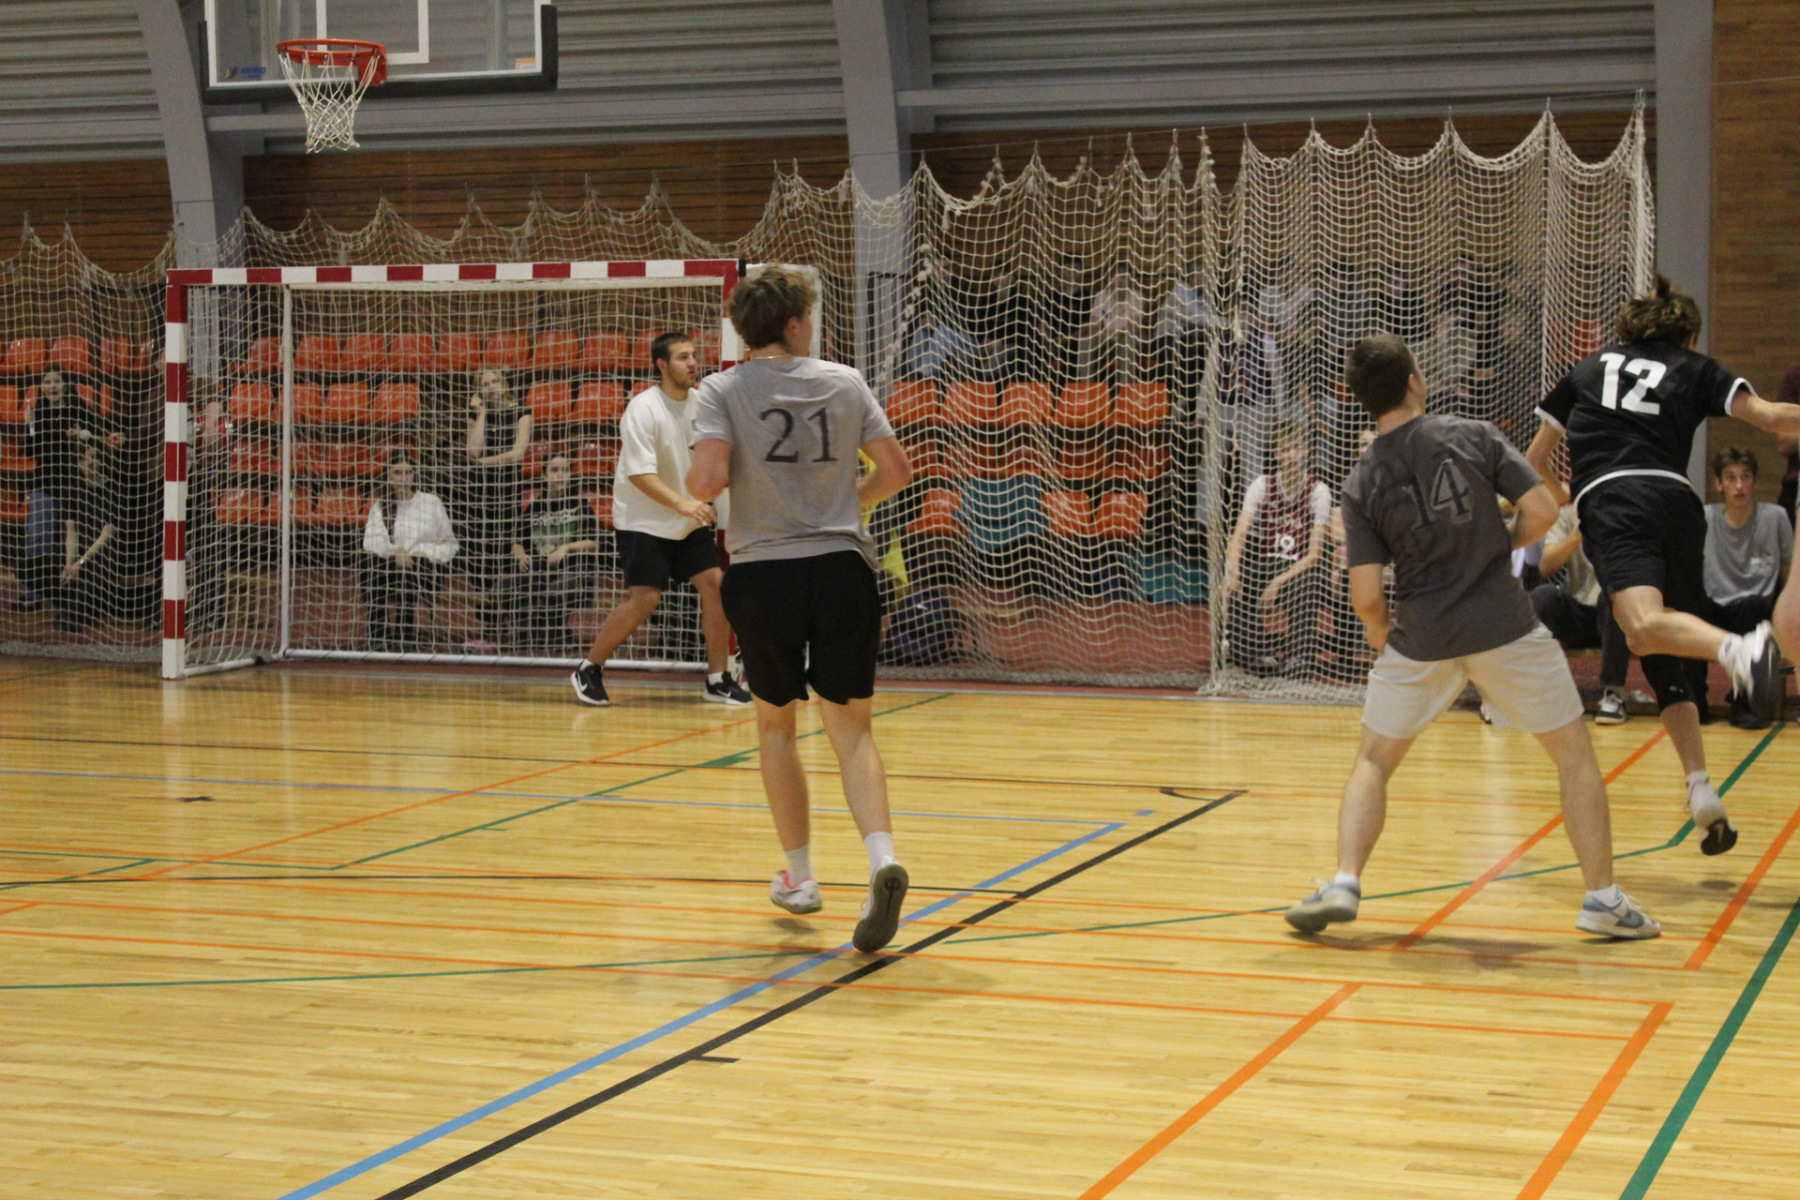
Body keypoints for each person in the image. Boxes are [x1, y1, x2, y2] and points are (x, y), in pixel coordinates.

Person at [1286, 334, 1659, 940]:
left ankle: (1345, 881)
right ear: (1414, 381)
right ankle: (1603, 900)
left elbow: (1367, 597)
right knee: (1573, 756)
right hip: (1503, 625)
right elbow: (1543, 511)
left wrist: (1383, 639)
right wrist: (1497, 544)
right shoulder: (1473, 434)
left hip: (1420, 635)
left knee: (1374, 761)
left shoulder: (1361, 480)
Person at [1525, 275, 1800, 854]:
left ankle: (1742, 650)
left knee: (1642, 624)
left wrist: (1569, 496)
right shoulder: (1693, 367)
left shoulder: (1586, 369)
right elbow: (1774, 417)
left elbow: (1534, 458)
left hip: (1618, 501)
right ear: (1688, 336)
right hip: (1678, 505)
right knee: (1655, 647)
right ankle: (1701, 790)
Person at [685, 265, 915, 954]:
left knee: (776, 728)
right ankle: (882, 859)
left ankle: (802, 877)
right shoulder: (844, 382)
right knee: (854, 731)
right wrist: (842, 504)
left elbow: (706, 482)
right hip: (842, 568)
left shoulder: (721, 389)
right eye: (808, 316)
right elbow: (896, 473)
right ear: (792, 323)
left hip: (764, 575)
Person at [571, 332, 751, 707]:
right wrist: (683, 504)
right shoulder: (643, 408)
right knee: (645, 600)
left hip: (688, 520)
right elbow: (640, 474)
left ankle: (717, 679)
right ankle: (589, 667)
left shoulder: (702, 405)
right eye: (683, 357)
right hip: (644, 520)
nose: (693, 362)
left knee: (716, 587)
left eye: (693, 355)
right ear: (662, 365)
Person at [1220, 424, 1331, 676]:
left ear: (1305, 452)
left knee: (1308, 586)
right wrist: (1233, 572)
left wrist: (1278, 582)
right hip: (1268, 562)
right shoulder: (1262, 485)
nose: (1291, 455)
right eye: (1284, 450)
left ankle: (1299, 657)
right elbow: (1238, 537)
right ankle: (1257, 652)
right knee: (1231, 587)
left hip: (1300, 568)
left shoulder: (1318, 490)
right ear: (1277, 454)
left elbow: (1314, 554)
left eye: (1296, 449)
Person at [1702, 446, 1793, 727]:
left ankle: (1745, 702)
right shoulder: (1705, 518)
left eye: (1745, 477)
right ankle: (1695, 699)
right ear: (1719, 484)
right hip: (1716, 607)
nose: (1739, 485)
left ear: (1754, 481)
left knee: (1754, 605)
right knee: (1692, 608)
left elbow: (1789, 574)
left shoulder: (1775, 517)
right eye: (1731, 478)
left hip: (1757, 613)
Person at [1531, 500, 1633, 725]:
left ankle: (1613, 693)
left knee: (1611, 595)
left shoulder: (1626, 510)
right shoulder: (1567, 514)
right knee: (1543, 596)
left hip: (1617, 616)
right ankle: (1538, 690)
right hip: (1580, 616)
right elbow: (1546, 566)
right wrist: (1577, 535)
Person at [502, 452, 601, 650]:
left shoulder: (580, 504)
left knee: (553, 593)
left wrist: (566, 548)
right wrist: (520, 553)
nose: (560, 475)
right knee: (504, 587)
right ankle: (528, 634)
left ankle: (558, 635)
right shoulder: (534, 508)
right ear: (544, 475)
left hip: (573, 570)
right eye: (554, 470)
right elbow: (517, 541)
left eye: (565, 470)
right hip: (540, 570)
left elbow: (593, 544)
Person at [464, 367, 532, 651]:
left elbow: (517, 454)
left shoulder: (521, 412)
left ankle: (516, 622)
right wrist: (480, 415)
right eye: (485, 384)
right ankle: (491, 629)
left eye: (494, 381)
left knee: (509, 555)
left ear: (503, 384)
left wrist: (484, 462)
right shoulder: (477, 415)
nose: (491, 387)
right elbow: (473, 451)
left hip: (508, 492)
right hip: (480, 494)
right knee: (483, 560)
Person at [18, 441, 118, 633]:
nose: (89, 463)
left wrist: (80, 563)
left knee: (70, 620)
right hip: (78, 554)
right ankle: (70, 602)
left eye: (93, 458)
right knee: (26, 568)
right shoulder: (72, 489)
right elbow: (71, 531)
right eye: (83, 459)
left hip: (101, 556)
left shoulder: (112, 489)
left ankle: (79, 607)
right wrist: (68, 564)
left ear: (101, 460)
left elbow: (107, 534)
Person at [361, 452, 458, 650]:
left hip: (426, 568)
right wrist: (395, 551)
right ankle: (378, 636)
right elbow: (371, 542)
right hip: (391, 566)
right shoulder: (380, 507)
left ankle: (404, 636)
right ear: (388, 476)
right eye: (398, 473)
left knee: (407, 574)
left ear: (415, 475)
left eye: (408, 472)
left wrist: (427, 553)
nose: (404, 478)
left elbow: (450, 544)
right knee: (368, 569)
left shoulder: (431, 502)